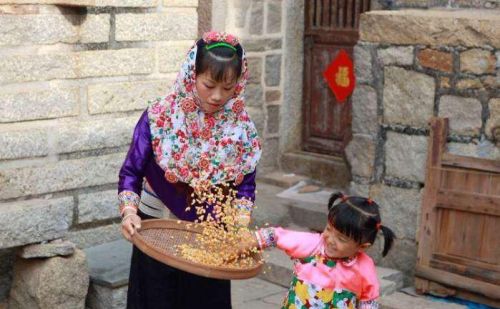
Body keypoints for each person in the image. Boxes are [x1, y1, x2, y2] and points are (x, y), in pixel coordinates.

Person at [117, 31, 262, 309]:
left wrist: (240, 225)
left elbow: (245, 183)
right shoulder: (159, 117)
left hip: (211, 237)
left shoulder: (240, 127)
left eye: (228, 88)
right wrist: (129, 213)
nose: (218, 96)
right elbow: (131, 172)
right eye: (209, 85)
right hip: (157, 231)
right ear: (191, 75)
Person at [237, 192, 395, 309]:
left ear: (362, 246)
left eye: (341, 239)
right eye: (328, 229)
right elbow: (277, 236)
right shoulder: (313, 245)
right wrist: (250, 241)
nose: (330, 239)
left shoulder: (364, 267)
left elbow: (369, 300)